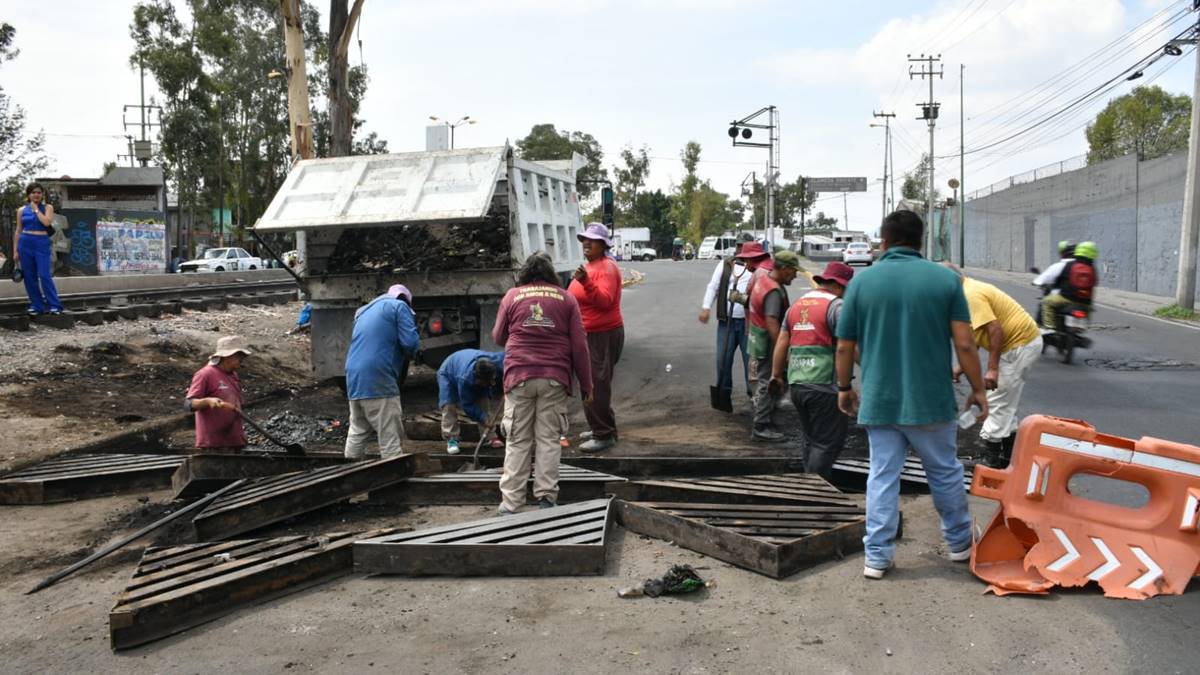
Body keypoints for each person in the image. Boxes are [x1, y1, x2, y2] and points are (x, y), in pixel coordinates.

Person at [835, 210, 989, 580]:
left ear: (883, 241)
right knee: (945, 471)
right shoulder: (945, 280)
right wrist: (979, 389)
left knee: (882, 475)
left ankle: (877, 556)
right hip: (930, 400)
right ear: (921, 242)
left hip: (880, 399)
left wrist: (844, 387)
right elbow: (965, 344)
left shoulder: (861, 282)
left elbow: (844, 346)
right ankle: (959, 543)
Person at [493, 252, 593, 514]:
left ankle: (511, 503)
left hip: (519, 377)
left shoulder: (512, 296)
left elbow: (497, 336)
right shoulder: (567, 298)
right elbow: (580, 345)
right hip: (554, 377)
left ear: (525, 273)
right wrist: (586, 384)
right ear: (551, 274)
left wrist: (520, 343)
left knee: (517, 439)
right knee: (548, 439)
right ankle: (546, 498)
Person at [943, 263, 1043, 469]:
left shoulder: (970, 296)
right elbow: (978, 334)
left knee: (997, 399)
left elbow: (995, 329)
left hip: (1019, 344)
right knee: (1006, 402)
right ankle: (1008, 458)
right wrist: (960, 367)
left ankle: (991, 460)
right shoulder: (966, 290)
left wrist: (993, 369)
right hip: (1023, 343)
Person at [769, 261, 855, 478]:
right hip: (824, 385)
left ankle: (809, 483)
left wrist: (776, 375)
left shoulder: (797, 305)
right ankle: (815, 487)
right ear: (840, 285)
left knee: (811, 439)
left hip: (798, 384)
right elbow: (848, 347)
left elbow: (781, 342)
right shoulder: (836, 307)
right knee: (827, 441)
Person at [343, 284, 420, 460]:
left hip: (354, 375)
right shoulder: (400, 307)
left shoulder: (362, 311)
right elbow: (410, 343)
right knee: (389, 432)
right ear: (405, 300)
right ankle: (393, 476)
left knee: (358, 428)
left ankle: (350, 472)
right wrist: (415, 353)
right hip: (378, 375)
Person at [568, 223, 624, 453]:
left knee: (596, 386)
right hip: (589, 334)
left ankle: (604, 435)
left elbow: (605, 301)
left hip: (601, 334)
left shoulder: (607, 268)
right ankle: (601, 427)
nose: (586, 243)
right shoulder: (591, 266)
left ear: (604, 244)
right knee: (591, 383)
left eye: (592, 240)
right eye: (584, 239)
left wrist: (586, 283)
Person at [747, 249, 800, 442]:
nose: (795, 275)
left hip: (758, 338)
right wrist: (782, 349)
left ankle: (767, 417)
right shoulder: (774, 291)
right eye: (793, 271)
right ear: (784, 269)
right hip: (768, 341)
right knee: (768, 381)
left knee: (772, 379)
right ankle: (761, 426)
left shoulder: (763, 281)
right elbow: (771, 321)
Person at [700, 232, 755, 401]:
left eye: (743, 246)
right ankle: (723, 395)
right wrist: (706, 307)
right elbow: (713, 287)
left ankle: (754, 395)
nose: (740, 249)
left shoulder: (756, 267)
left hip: (749, 325)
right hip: (727, 323)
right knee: (723, 361)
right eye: (738, 245)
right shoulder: (725, 265)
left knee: (751, 363)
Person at [186, 335, 252, 452]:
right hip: (214, 444)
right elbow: (189, 404)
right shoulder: (205, 374)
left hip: (234, 441)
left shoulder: (233, 375)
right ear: (226, 357)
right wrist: (207, 401)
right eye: (238, 356)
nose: (241, 359)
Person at [437, 349, 505, 454]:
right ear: (477, 378)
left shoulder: (496, 362)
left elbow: (510, 355)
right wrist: (483, 418)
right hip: (448, 372)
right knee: (448, 405)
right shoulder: (465, 379)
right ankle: (452, 439)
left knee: (483, 402)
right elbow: (468, 405)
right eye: (484, 382)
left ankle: (490, 436)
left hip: (464, 363)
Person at [13, 183, 64, 315]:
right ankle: (37, 305)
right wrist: (15, 250)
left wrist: (36, 209)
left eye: (39, 192)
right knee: (29, 277)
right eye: (33, 192)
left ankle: (55, 305)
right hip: (25, 243)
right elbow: (18, 230)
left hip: (41, 243)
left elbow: (46, 222)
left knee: (44, 275)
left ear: (42, 194)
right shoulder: (21, 210)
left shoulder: (48, 207)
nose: (36, 195)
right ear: (28, 194)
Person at [1041, 241, 1098, 329]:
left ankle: (1049, 327)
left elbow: (1060, 278)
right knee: (1089, 309)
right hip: (1086, 303)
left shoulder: (1070, 265)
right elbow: (1095, 282)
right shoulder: (1092, 269)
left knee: (1047, 302)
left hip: (1067, 299)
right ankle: (1084, 326)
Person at [1032, 241, 1074, 325]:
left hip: (1064, 298)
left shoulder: (1059, 266)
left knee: (1044, 303)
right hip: (1081, 301)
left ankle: (1048, 328)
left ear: (1061, 253)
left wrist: (1036, 282)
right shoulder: (1082, 266)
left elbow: (1041, 279)